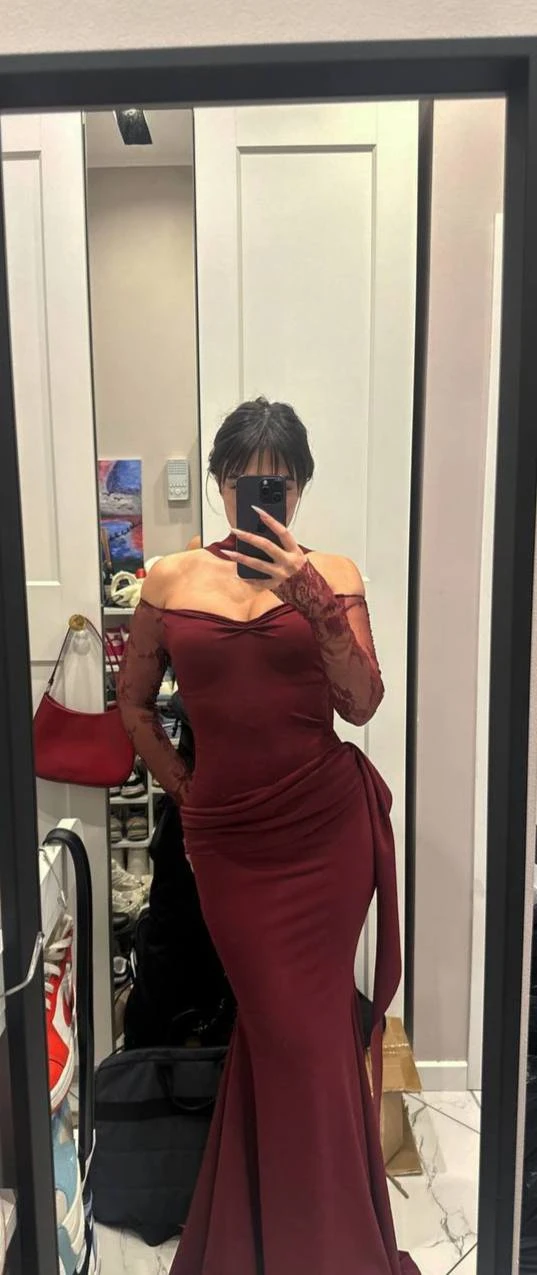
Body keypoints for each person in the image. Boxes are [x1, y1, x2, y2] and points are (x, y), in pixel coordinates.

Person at [117, 396, 419, 1275]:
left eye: (277, 484)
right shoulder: (169, 579)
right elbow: (133, 706)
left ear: (298, 490)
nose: (259, 496)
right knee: (283, 1030)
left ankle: (299, 1243)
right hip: (232, 847)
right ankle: (300, 1236)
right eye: (243, 479)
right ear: (220, 484)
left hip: (324, 833)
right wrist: (190, 792)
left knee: (310, 1034)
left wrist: (309, 595)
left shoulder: (331, 572)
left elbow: (361, 703)